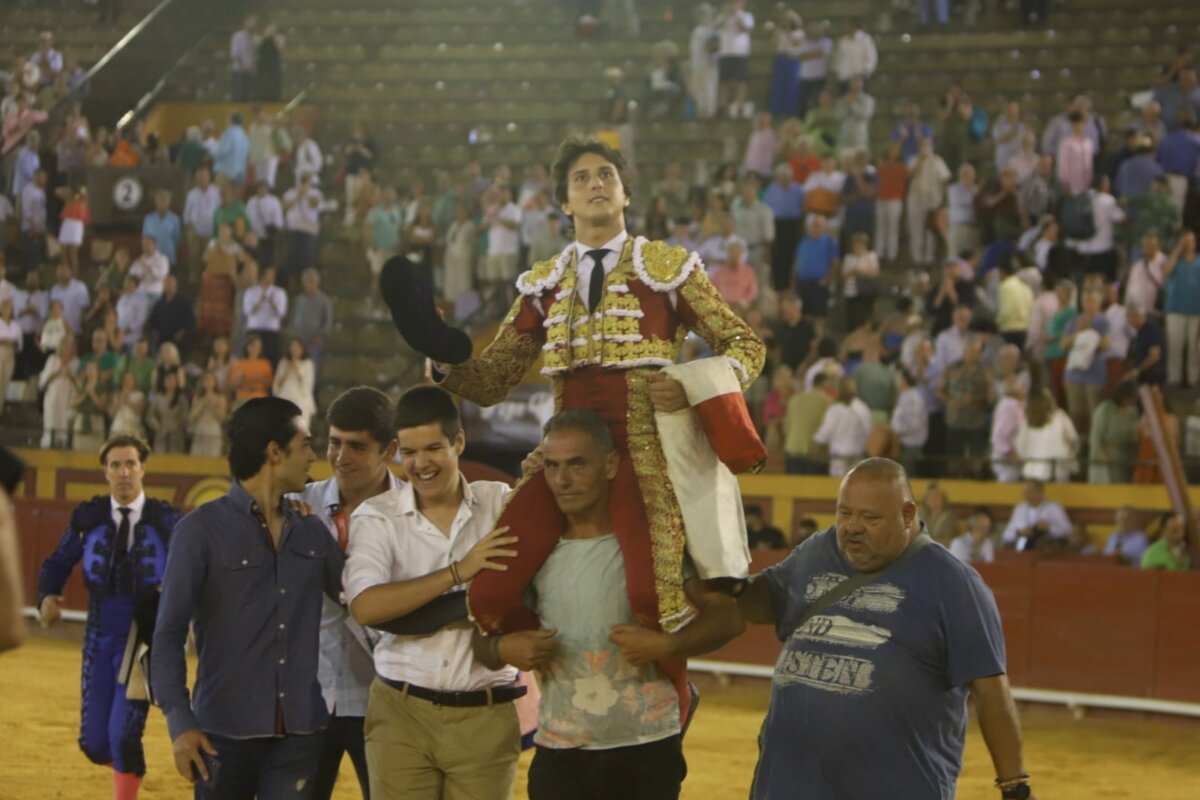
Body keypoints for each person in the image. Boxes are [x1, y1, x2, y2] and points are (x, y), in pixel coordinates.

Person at [389, 136, 763, 652]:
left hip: (644, 453)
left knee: (655, 597)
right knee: (492, 593)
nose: (595, 184)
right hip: (562, 459)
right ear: (564, 202)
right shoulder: (543, 287)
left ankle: (671, 698)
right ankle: (557, 657)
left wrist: (691, 386)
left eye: (606, 174)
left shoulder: (669, 269)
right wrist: (442, 358)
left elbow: (745, 346)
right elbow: (493, 380)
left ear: (625, 193)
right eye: (581, 178)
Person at [473, 410, 743, 800]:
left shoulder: (653, 549)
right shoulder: (531, 554)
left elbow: (729, 617)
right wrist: (502, 649)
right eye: (552, 466)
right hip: (561, 750)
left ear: (612, 464)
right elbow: (481, 642)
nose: (562, 480)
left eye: (577, 464)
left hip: (646, 748)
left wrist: (668, 646)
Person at [735, 458, 1034, 799]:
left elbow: (991, 693)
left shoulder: (955, 584)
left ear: (908, 515)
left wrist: (1015, 787)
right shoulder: (819, 550)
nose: (852, 527)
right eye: (844, 513)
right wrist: (728, 584)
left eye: (870, 517)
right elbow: (765, 600)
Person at [152, 397, 344, 796]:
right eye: (305, 444)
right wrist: (179, 722)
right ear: (274, 452)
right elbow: (167, 637)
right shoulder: (198, 532)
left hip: (300, 731)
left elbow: (359, 599)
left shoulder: (311, 531)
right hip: (220, 736)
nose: (313, 456)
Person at [343, 386, 526, 798]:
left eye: (433, 448)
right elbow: (366, 608)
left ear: (458, 441)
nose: (420, 464)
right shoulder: (377, 515)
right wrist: (460, 573)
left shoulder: (501, 503)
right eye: (408, 453)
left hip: (486, 714)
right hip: (400, 713)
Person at [37, 435, 182, 800]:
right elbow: (57, 562)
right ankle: (124, 764)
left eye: (130, 464)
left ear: (143, 468)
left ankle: (125, 779)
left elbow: (194, 565)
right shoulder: (90, 516)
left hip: (142, 636)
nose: (123, 473)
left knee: (124, 735)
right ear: (105, 472)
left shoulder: (167, 520)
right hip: (98, 634)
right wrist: (46, 597)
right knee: (95, 743)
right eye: (115, 465)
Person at [293, 388, 402, 800]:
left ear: (390, 449)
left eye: (357, 446)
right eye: (335, 442)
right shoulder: (298, 504)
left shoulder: (413, 512)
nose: (341, 456)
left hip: (386, 698)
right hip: (308, 695)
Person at [812, 377, 872, 477]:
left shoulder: (834, 410)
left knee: (838, 489)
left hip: (839, 459)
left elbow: (825, 432)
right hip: (857, 458)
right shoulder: (862, 408)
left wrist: (816, 439)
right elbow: (869, 431)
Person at [1163, 230, 1200, 387]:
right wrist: (1176, 251)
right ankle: (1174, 379)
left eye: (1190, 241)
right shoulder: (1174, 260)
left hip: (1196, 311)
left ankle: (1193, 380)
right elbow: (1166, 271)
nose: (1188, 244)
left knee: (1195, 349)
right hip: (1175, 309)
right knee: (1175, 347)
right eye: (1185, 241)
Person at [1001, 479, 1071, 550]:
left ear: (1041, 491)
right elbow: (1006, 535)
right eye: (1025, 492)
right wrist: (1019, 533)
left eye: (1030, 492)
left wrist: (1049, 527)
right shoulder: (1020, 509)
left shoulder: (1054, 508)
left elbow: (1068, 531)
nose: (1027, 495)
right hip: (1022, 544)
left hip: (1047, 547)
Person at [243, 265, 288, 366]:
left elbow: (282, 313)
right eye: (270, 274)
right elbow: (247, 311)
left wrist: (273, 304)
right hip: (254, 328)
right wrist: (259, 302)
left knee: (271, 358)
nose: (272, 276)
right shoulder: (251, 291)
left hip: (271, 330)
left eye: (273, 274)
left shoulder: (279, 292)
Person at [273, 337, 316, 426]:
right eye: (292, 347)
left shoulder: (308, 364)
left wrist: (296, 368)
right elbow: (277, 385)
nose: (294, 350)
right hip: (285, 398)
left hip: (300, 400)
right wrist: (285, 370)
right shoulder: (283, 362)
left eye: (297, 347)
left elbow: (307, 384)